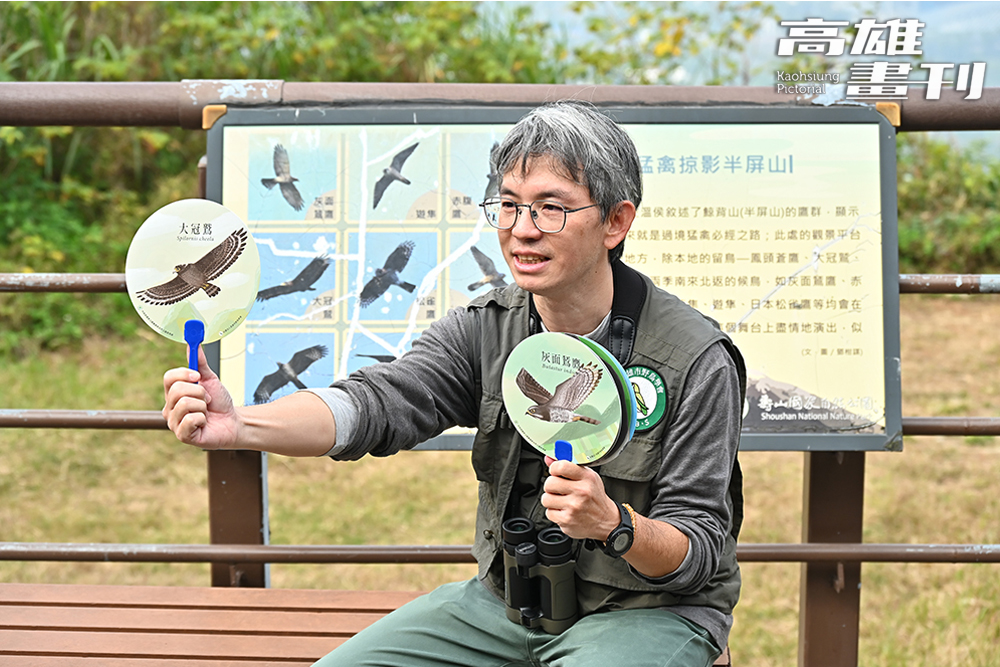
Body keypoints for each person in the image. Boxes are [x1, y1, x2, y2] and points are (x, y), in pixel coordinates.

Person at [163, 100, 746, 667]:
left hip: (648, 614)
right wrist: (239, 423)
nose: (522, 232)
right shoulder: (487, 328)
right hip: (507, 610)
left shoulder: (695, 360)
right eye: (510, 206)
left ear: (615, 221)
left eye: (551, 208)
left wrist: (614, 525)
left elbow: (696, 552)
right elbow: (379, 403)